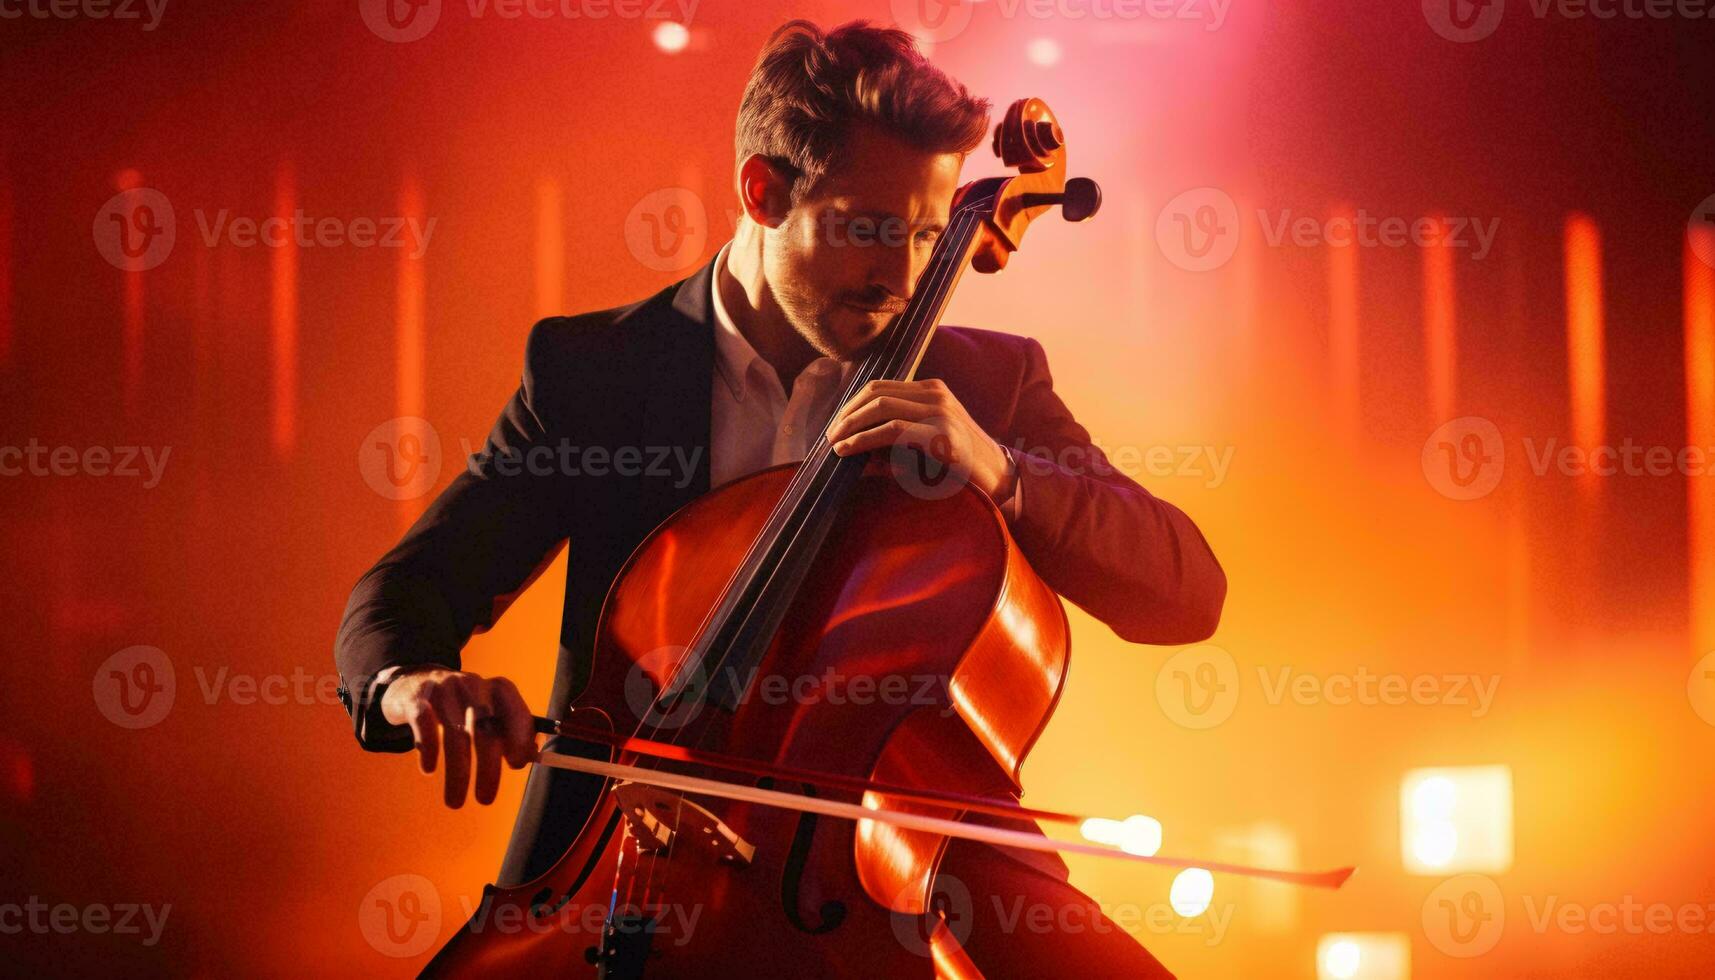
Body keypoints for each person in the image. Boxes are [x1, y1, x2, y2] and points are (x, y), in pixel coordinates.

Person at [335, 19, 1225, 976]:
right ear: (763, 191)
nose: (904, 274)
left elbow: (1183, 593)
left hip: (902, 862)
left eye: (928, 235)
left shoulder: (987, 386)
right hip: (620, 867)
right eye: (867, 229)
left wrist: (1000, 470)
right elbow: (407, 592)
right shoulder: (593, 372)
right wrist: (410, 684)